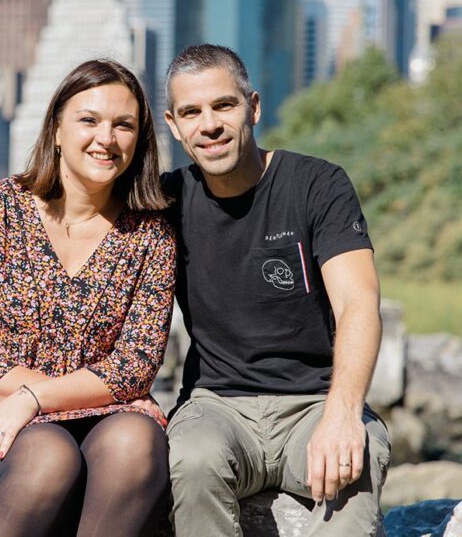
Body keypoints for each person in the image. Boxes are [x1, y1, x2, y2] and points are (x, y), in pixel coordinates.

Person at [0, 59, 177, 536]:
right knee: (50, 456)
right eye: (89, 120)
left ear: (140, 141)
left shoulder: (151, 236)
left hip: (101, 417)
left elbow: (134, 366)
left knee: (137, 442)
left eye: (124, 125)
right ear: (56, 128)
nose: (107, 138)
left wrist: (37, 398)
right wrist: (28, 401)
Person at [161, 44, 391, 536]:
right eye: (191, 112)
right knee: (192, 459)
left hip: (314, 402)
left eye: (224, 105)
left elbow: (358, 302)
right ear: (174, 125)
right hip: (215, 405)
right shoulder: (165, 201)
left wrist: (344, 413)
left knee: (357, 460)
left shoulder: (316, 184)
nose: (210, 124)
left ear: (254, 107)